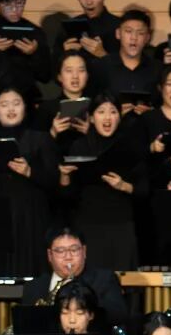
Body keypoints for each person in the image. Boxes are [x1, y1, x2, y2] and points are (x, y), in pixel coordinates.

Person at [0, 88, 58, 273]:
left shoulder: (41, 139)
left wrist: (30, 172)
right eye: (4, 104)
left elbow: (54, 182)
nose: (11, 109)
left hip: (30, 215)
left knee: (29, 267)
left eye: (16, 103)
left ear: (25, 107)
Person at [58, 93, 147, 271]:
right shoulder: (80, 146)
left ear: (119, 117)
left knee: (122, 279)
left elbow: (145, 190)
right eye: (101, 112)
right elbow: (67, 197)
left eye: (113, 112)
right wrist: (64, 177)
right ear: (91, 118)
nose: (107, 117)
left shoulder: (130, 146)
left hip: (121, 224)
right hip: (88, 224)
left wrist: (123, 186)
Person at [21, 225, 127, 323]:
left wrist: (84, 296)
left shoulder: (104, 279)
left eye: (74, 249)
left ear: (84, 251)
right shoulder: (33, 287)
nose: (68, 257)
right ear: (50, 255)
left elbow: (119, 315)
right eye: (60, 251)